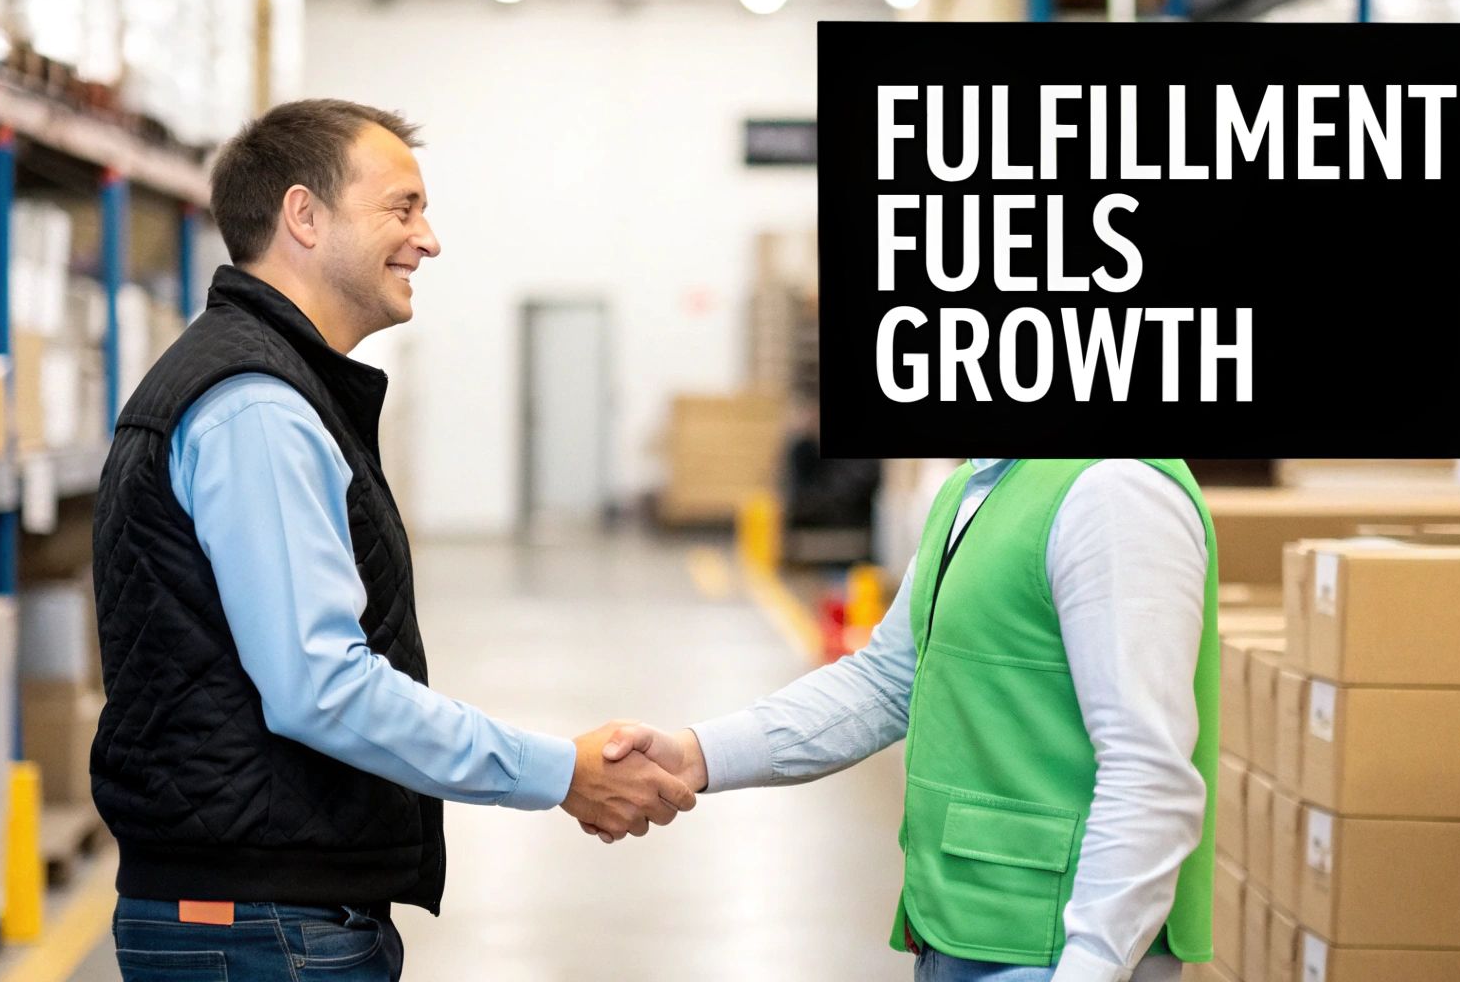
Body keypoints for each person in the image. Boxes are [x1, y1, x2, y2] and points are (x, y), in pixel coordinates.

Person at [90, 99, 693, 982]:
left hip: (258, 909)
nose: (429, 239)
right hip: (261, 924)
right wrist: (558, 770)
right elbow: (320, 687)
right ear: (304, 215)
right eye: (402, 208)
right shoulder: (257, 406)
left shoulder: (268, 384)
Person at [598, 458, 1219, 982]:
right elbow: (889, 679)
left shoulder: (1114, 493)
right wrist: (695, 754)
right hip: (956, 931)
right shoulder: (977, 486)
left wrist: (1092, 964)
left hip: (1055, 948)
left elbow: (1149, 769)